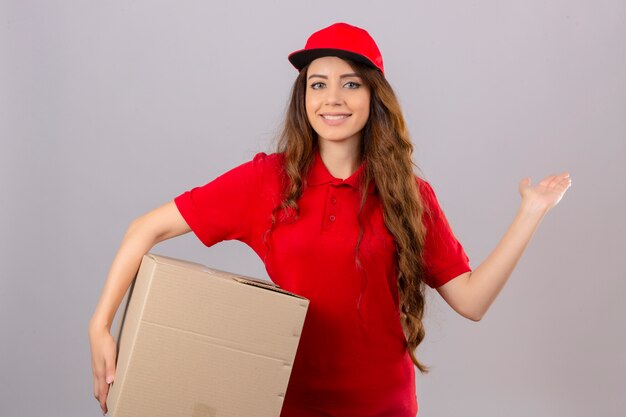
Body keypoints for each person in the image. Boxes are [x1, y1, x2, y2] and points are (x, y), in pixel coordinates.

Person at [89, 22, 571, 416]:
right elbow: (145, 229)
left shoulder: (409, 196)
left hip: (384, 408)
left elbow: (471, 300)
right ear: (304, 98)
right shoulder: (268, 182)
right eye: (318, 84)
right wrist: (101, 324)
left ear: (373, 96)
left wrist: (530, 214)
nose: (332, 98)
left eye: (350, 84)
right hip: (285, 405)